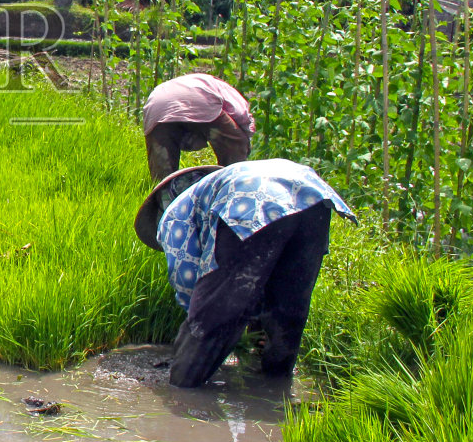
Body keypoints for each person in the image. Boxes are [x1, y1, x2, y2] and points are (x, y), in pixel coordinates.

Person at [134, 160, 354, 388]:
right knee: (288, 308)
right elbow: (265, 274)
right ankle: (275, 389)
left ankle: (183, 391)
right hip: (312, 196)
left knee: (214, 314)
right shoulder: (218, 186)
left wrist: (198, 313)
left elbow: (185, 276)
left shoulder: (175, 211)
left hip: (251, 200)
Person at [142, 73, 255, 181]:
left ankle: (165, 197)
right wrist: (245, 142)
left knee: (163, 176)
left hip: (157, 107)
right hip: (200, 101)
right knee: (235, 154)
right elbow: (241, 115)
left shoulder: (200, 81)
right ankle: (232, 185)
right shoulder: (226, 89)